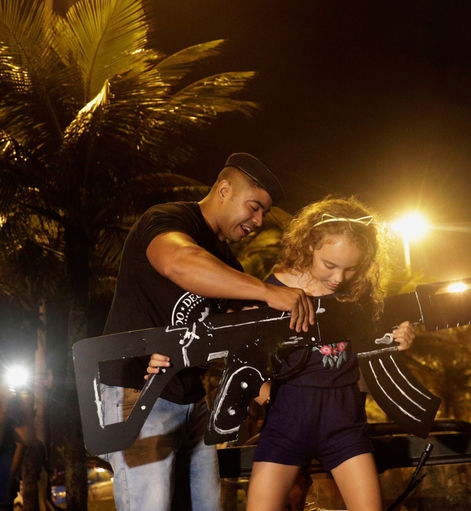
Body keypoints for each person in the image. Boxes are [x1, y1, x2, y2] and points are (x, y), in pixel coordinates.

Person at [99, 153, 315, 511]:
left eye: (264, 212)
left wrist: (274, 391)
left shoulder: (230, 265)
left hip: (192, 400)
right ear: (224, 190)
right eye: (254, 207)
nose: (259, 221)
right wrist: (266, 291)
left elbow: (236, 340)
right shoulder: (167, 219)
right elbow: (178, 262)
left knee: (207, 506)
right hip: (139, 391)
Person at [245, 197, 416, 511]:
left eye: (351, 269)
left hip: (344, 422)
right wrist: (272, 399)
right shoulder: (271, 290)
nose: (339, 278)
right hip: (286, 422)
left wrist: (399, 339)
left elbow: (377, 345)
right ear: (310, 245)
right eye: (330, 265)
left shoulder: (361, 295)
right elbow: (241, 363)